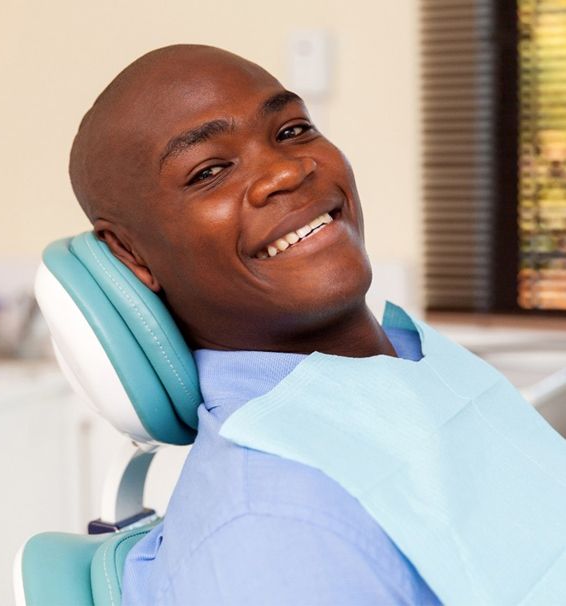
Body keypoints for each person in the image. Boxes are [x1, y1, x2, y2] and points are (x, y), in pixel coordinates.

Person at [69, 44, 441, 605]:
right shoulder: (277, 534)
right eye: (210, 171)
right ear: (131, 254)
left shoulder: (413, 361)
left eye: (291, 130)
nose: (287, 171)